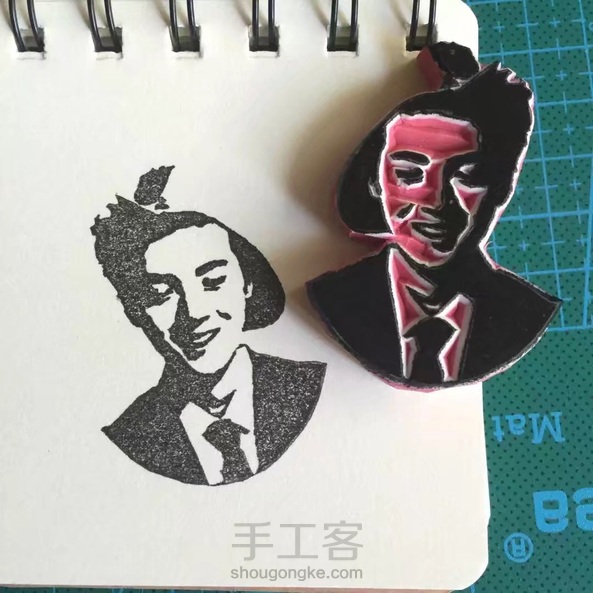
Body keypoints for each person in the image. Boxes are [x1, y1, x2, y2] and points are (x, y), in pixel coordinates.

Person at [307, 44, 561, 389]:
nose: (437, 202)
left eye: (467, 177)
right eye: (409, 174)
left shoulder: (523, 314)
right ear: (376, 183)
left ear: (501, 187)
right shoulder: (338, 300)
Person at [92, 170, 326, 486]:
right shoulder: (131, 434)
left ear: (247, 284)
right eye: (161, 294)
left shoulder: (306, 385)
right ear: (134, 310)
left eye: (214, 281)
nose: (194, 313)